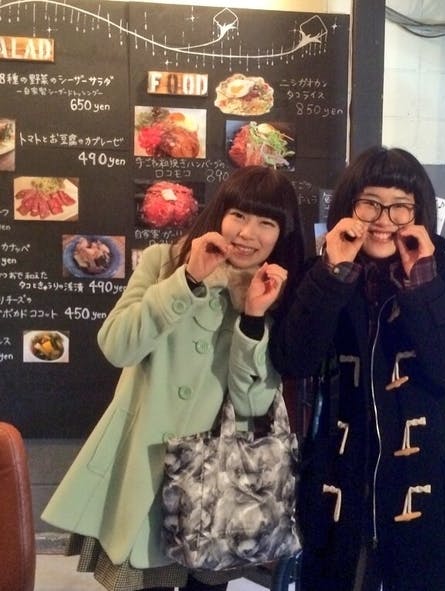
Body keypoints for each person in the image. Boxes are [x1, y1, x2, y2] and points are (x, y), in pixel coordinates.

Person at [42, 165, 305, 591]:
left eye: (266, 223)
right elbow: (117, 346)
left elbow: (254, 405)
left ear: (282, 235)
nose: (247, 233)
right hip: (144, 469)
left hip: (216, 485)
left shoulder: (274, 293)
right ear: (220, 214)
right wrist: (188, 280)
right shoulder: (164, 262)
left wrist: (253, 319)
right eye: (238, 215)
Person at [269, 146, 445, 591]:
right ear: (349, 207)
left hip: (429, 483)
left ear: (419, 214)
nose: (384, 219)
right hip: (340, 477)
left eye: (401, 206)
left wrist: (421, 280)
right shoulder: (320, 271)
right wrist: (333, 272)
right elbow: (293, 358)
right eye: (370, 203)